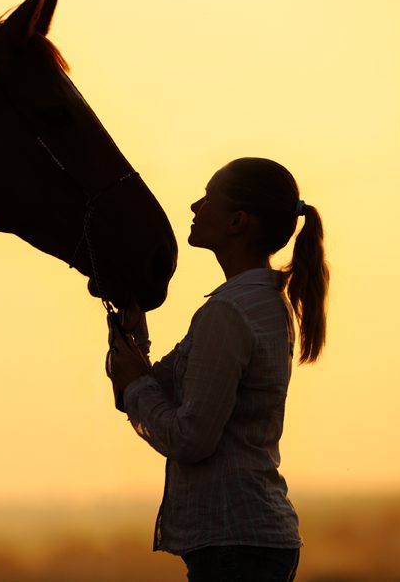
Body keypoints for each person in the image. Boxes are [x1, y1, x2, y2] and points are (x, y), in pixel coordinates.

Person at [105, 157, 329, 582]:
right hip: (250, 542)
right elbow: (162, 389)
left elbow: (191, 438)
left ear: (237, 222)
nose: (194, 206)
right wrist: (134, 337)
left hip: (235, 547)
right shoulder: (262, 303)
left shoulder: (228, 312)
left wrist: (133, 387)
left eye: (208, 199)